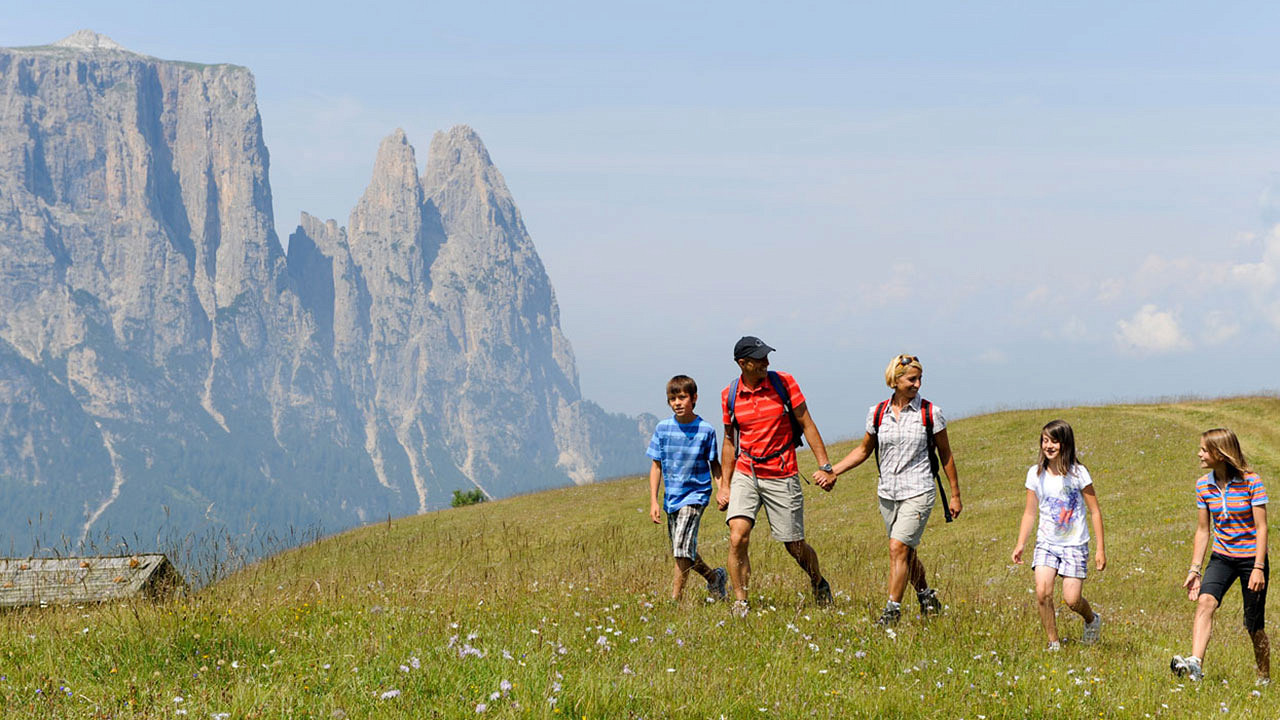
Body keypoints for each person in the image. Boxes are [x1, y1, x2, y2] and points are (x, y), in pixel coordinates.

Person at [824, 353, 962, 626]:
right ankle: (926, 597)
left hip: (919, 490)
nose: (917, 384)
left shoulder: (930, 413)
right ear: (895, 380)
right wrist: (833, 471)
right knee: (906, 552)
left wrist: (955, 495)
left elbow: (945, 454)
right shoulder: (877, 413)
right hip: (887, 494)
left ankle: (891, 613)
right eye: (912, 379)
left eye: (919, 379)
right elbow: (863, 450)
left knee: (897, 547)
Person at [717, 336, 837, 615]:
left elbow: (806, 423)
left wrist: (825, 466)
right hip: (746, 471)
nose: (766, 362)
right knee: (737, 537)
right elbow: (729, 441)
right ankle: (740, 602)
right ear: (742, 363)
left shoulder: (784, 383)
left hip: (782, 472)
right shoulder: (730, 394)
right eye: (759, 359)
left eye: (766, 357)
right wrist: (725, 485)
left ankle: (818, 582)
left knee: (794, 545)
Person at [1171, 428, 1270, 684]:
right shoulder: (1203, 486)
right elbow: (1203, 530)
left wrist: (1258, 567)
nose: (1199, 454)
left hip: (1251, 560)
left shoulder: (1251, 482)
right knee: (1205, 602)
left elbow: (1262, 528)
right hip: (1222, 557)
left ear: (1221, 454)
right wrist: (1195, 570)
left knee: (1253, 624)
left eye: (1204, 450)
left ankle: (1264, 676)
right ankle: (1195, 665)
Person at [1011, 420, 1106, 650]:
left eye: (1054, 441)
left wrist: (1100, 549)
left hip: (1075, 544)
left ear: (1065, 443)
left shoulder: (1078, 473)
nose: (1048, 446)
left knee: (1072, 599)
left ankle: (1092, 620)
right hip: (1046, 543)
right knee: (1042, 593)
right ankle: (1053, 643)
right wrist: (1021, 543)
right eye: (1045, 440)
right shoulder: (1035, 474)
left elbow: (1094, 511)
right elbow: (1030, 512)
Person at [646, 375, 729, 601]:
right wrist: (654, 501)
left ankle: (676, 600)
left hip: (696, 496)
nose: (677, 403)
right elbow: (656, 466)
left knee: (681, 549)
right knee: (683, 549)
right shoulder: (662, 429)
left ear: (694, 398)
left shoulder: (705, 430)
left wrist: (722, 490)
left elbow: (714, 464)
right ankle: (714, 578)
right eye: (672, 399)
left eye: (682, 397)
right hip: (671, 498)